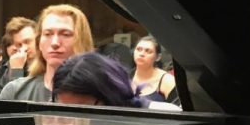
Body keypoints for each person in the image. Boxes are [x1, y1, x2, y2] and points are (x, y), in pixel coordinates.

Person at [0, 4, 93, 102]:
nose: (55, 43)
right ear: (39, 42)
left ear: (82, 40)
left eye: (65, 34)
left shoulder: (99, 94)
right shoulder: (14, 92)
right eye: (48, 34)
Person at [52, 52, 180, 110]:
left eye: (82, 111)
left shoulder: (167, 116)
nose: (72, 123)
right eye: (65, 110)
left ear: (111, 96)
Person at [0, 16, 36, 98]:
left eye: (27, 42)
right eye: (19, 44)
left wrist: (16, 72)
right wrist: (16, 70)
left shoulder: (46, 68)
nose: (23, 48)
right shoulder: (13, 66)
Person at [131, 36, 179, 106]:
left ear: (158, 57)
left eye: (148, 51)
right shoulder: (124, 76)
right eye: (138, 49)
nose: (141, 54)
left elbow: (179, 111)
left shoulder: (167, 80)